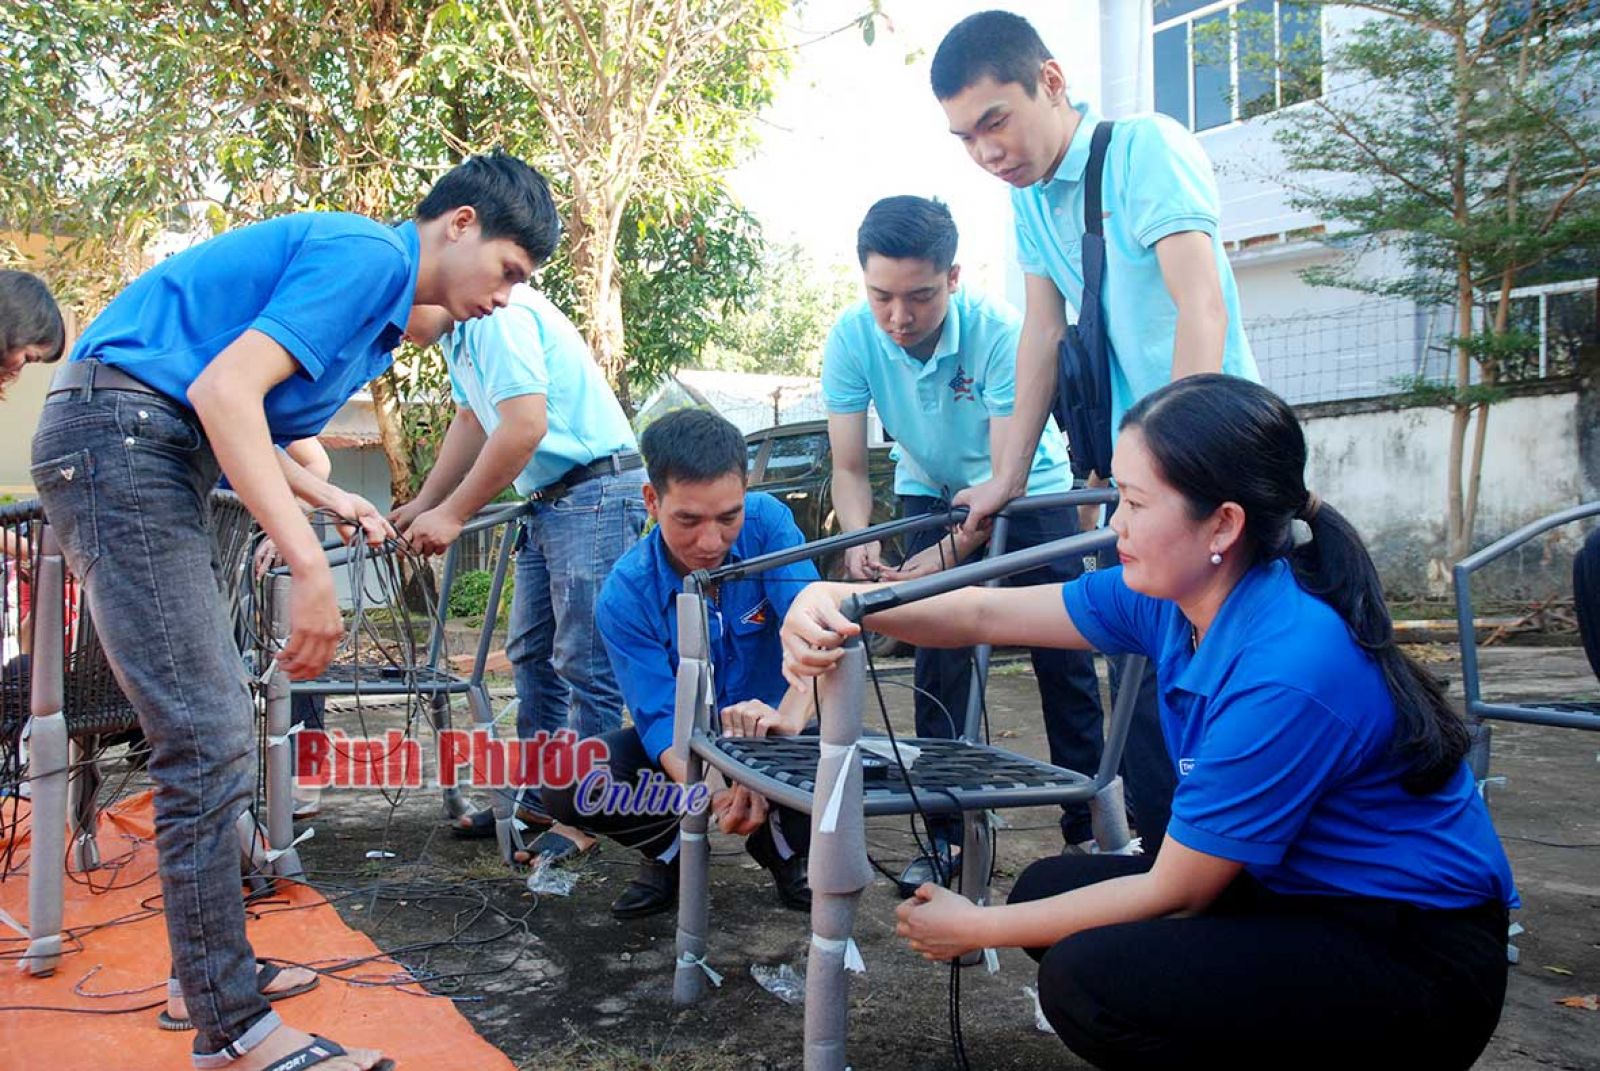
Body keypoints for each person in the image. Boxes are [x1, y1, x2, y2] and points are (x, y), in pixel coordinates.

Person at [783, 375, 1517, 1069]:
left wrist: (975, 925)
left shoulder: (1289, 663)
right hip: (1301, 893)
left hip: (1417, 959)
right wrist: (843, 602)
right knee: (1047, 892)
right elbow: (983, 609)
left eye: (1135, 503)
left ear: (1221, 523)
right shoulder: (1175, 594)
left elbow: (1179, 889)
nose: (1113, 523)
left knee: (1086, 979)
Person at [30, 148, 557, 1071]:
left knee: (212, 728)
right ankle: (229, 1027)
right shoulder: (373, 257)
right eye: (509, 271)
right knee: (207, 730)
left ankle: (207, 977)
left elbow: (240, 417)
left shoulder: (378, 310)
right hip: (122, 437)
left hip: (146, 441)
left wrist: (330, 502)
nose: (505, 297)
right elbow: (220, 391)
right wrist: (311, 568)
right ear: (461, 223)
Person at [930, 11, 1262, 850]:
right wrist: (1007, 477)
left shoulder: (1146, 149)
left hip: (1214, 464)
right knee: (1145, 681)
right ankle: (1166, 866)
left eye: (995, 121)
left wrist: (1186, 467)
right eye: (966, 138)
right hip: (1141, 485)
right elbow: (1042, 337)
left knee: (1244, 666)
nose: (987, 152)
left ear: (1050, 80)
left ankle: (1244, 859)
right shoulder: (1032, 204)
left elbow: (1202, 304)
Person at [822, 195, 1106, 879]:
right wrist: (860, 535)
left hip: (1029, 486)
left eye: (918, 295)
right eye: (881, 295)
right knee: (938, 661)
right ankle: (943, 834)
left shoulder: (1000, 333)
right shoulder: (852, 338)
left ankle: (1090, 828)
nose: (899, 316)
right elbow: (850, 465)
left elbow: (1001, 482)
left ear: (952, 277)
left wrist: (948, 554)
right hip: (931, 485)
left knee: (1060, 654)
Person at [394, 281, 646, 866]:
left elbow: (523, 428)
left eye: (395, 307)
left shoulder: (493, 314)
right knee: (532, 656)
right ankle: (541, 796)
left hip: (595, 491)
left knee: (585, 661)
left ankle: (587, 811)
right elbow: (472, 421)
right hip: (550, 500)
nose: (392, 329)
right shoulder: (459, 337)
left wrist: (453, 514)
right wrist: (425, 501)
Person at [541, 408, 813, 919]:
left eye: (728, 517)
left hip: (777, 734)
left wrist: (788, 721)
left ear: (745, 492)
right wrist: (718, 792)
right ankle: (670, 849)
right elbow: (662, 722)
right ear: (651, 500)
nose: (710, 543)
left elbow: (818, 636)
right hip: (692, 747)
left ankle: (782, 848)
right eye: (687, 520)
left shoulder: (770, 524)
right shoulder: (625, 594)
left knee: (858, 760)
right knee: (567, 777)